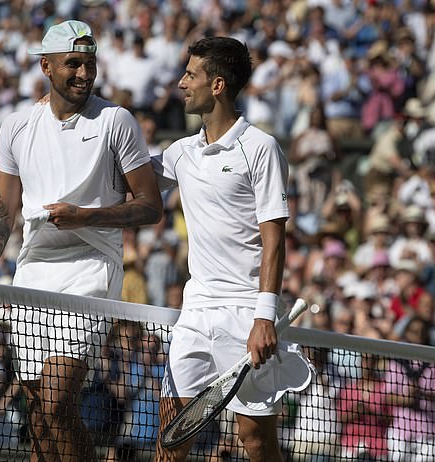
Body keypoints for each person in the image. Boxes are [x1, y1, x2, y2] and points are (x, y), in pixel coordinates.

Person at [0, 19, 162, 462]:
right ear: (46, 67)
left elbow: (150, 206)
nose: (84, 74)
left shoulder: (116, 121)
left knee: (55, 401)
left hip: (93, 266)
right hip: (32, 272)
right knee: (39, 415)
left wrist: (85, 216)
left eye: (89, 64)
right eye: (73, 63)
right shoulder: (16, 126)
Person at [152, 37, 311, 462]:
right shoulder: (179, 152)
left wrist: (264, 317)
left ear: (217, 85)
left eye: (191, 74)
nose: (182, 83)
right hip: (195, 311)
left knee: (256, 442)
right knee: (170, 438)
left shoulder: (261, 148)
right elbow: (131, 179)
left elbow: (274, 238)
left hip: (245, 312)